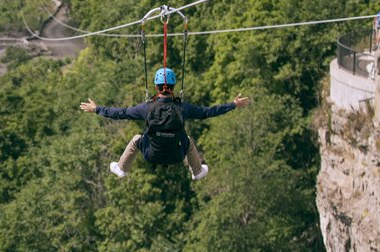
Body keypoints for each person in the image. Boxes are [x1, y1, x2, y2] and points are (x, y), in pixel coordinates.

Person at [79, 68, 251, 180]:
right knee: (188, 140)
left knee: (137, 138)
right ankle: (197, 172)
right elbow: (208, 112)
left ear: (156, 86)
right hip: (177, 155)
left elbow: (120, 113)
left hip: (151, 154)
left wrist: (97, 109)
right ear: (174, 86)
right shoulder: (182, 108)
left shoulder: (147, 108)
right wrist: (233, 104)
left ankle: (122, 168)